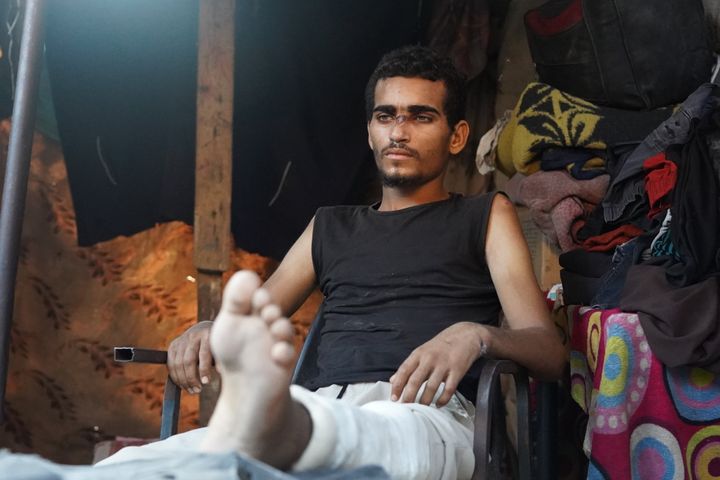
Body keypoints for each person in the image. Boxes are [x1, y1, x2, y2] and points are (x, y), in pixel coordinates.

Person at [104, 45, 566, 479]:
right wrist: (205, 329)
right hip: (319, 411)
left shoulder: (485, 215)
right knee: (133, 467)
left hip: (426, 417)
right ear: (370, 131)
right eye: (386, 116)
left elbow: (548, 352)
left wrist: (477, 335)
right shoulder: (329, 227)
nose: (399, 132)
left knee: (348, 440)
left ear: (457, 136)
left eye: (421, 117)